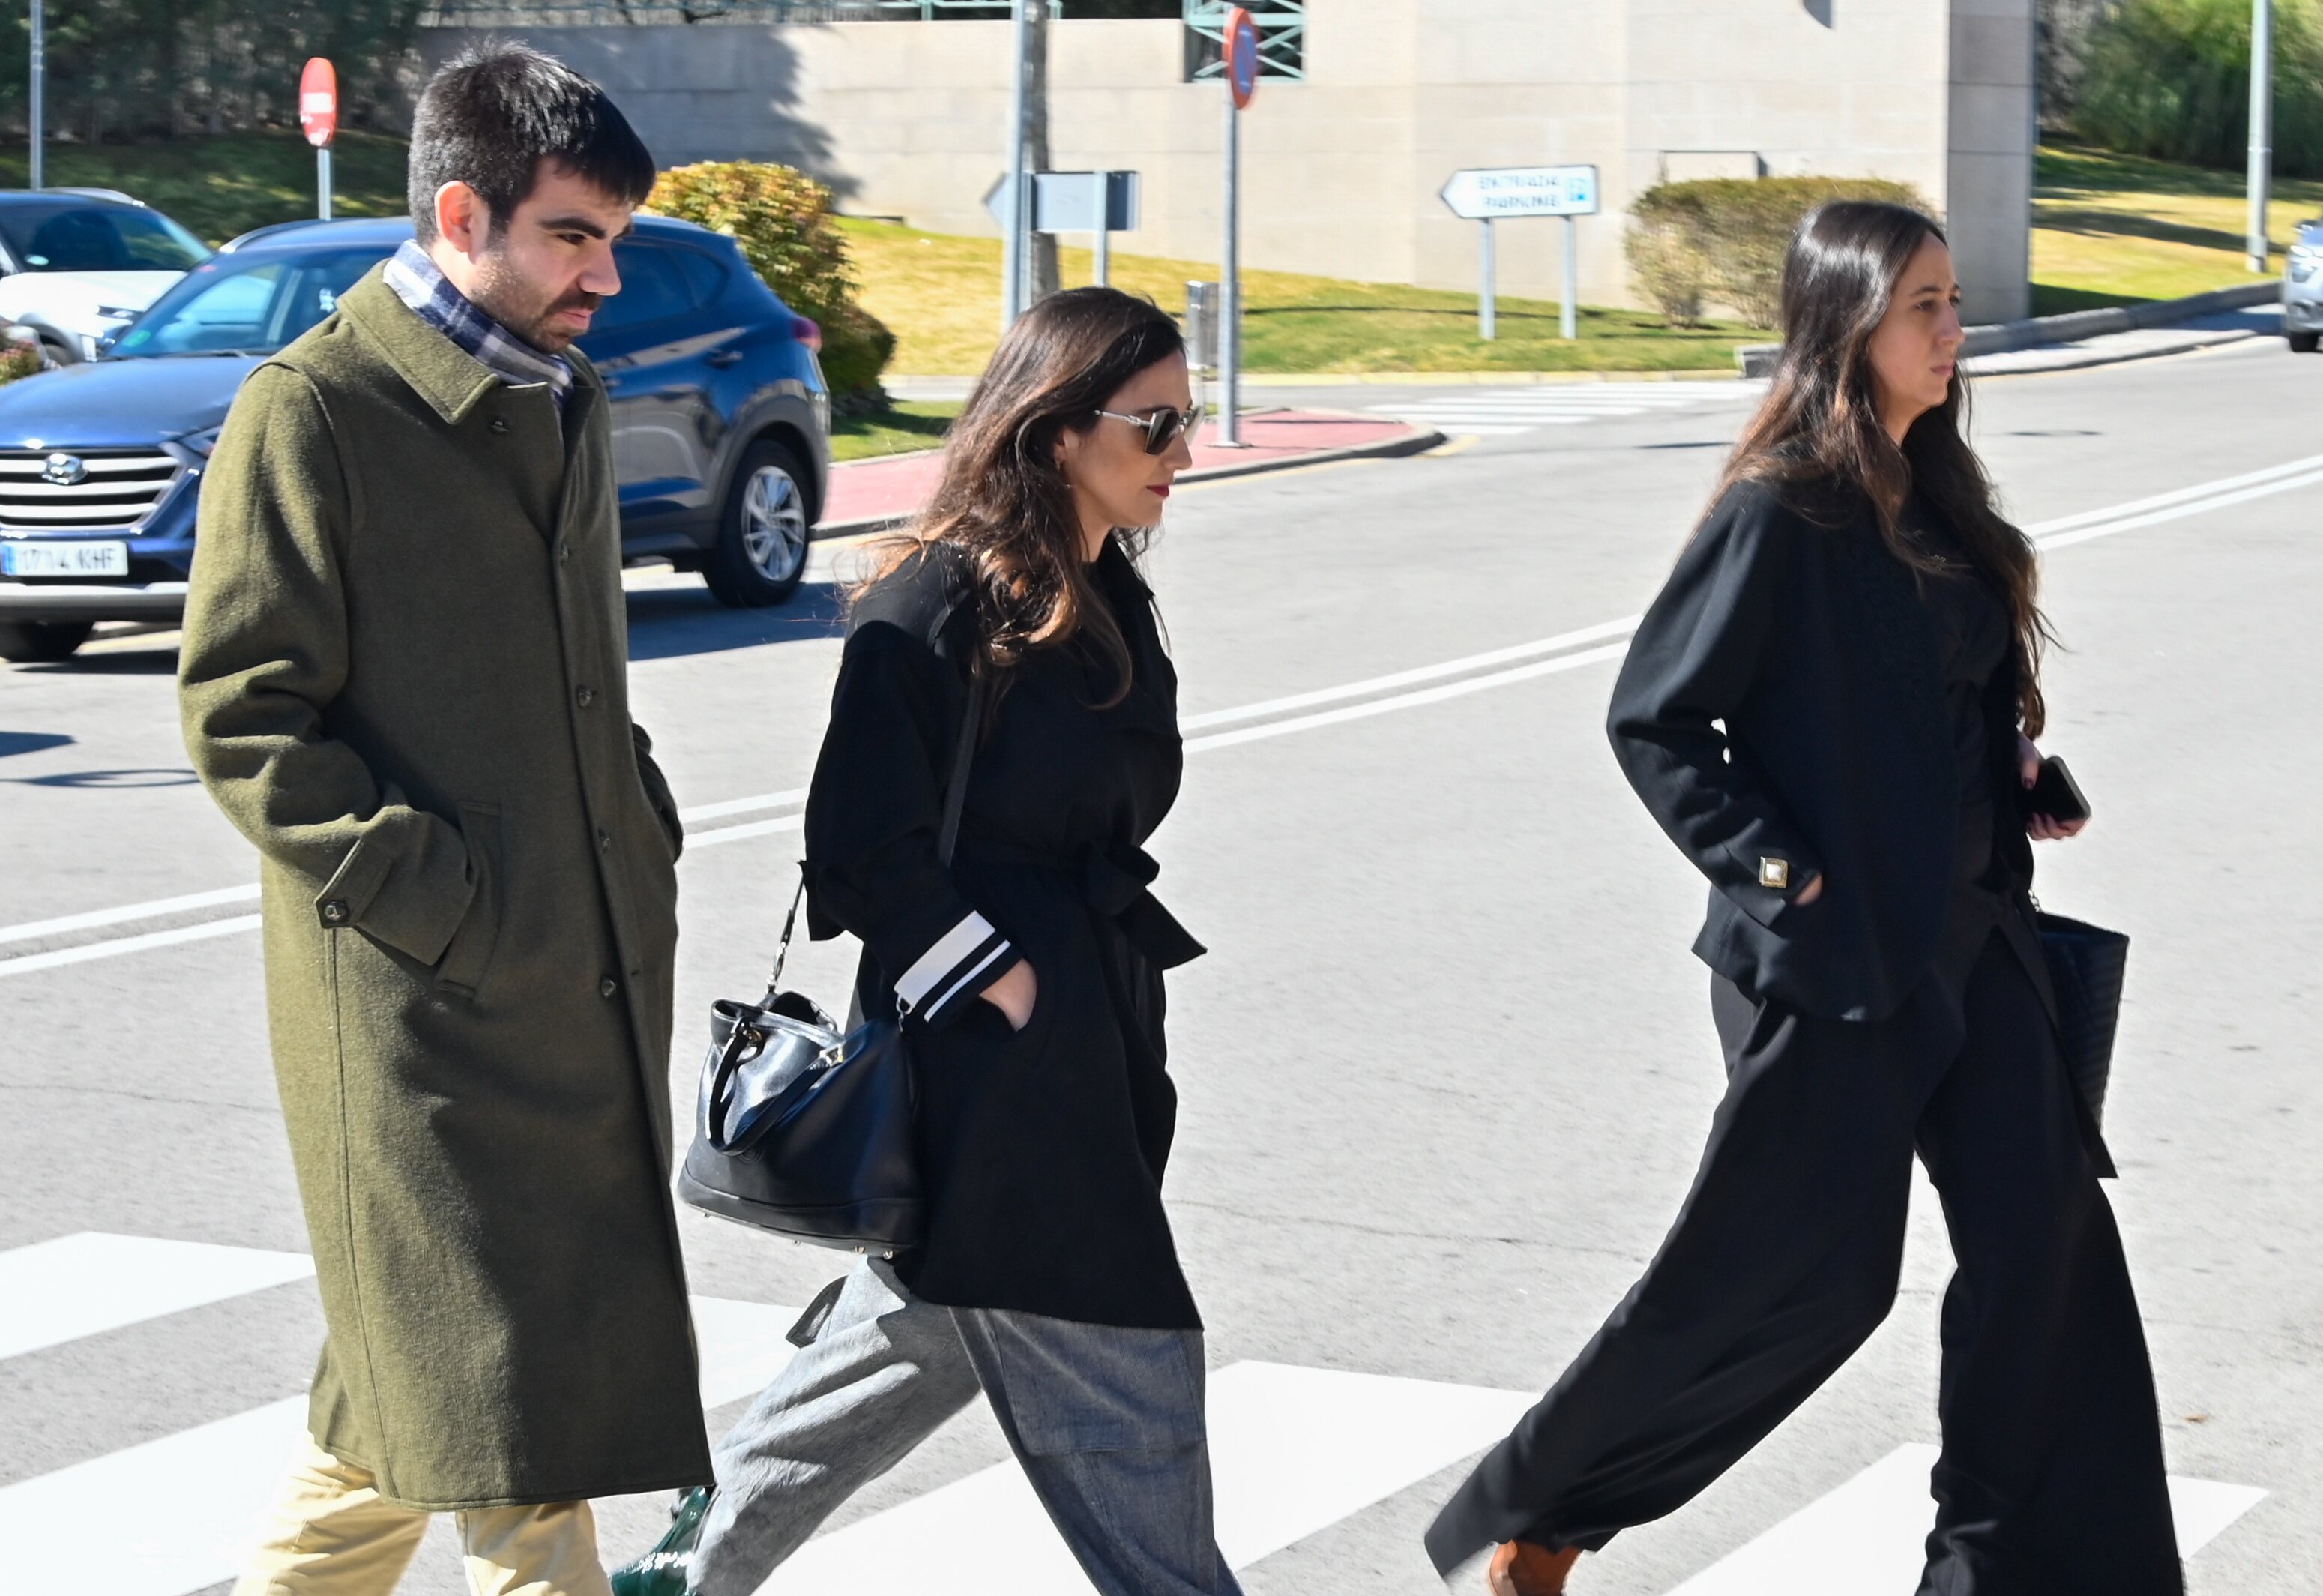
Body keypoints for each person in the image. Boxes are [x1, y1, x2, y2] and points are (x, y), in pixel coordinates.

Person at [1423, 202, 2184, 1596]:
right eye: (1926, 309)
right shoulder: (1782, 508)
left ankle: (2009, 1573)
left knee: (2046, 1243)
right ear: (1849, 326)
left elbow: (1938, 704)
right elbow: (1657, 719)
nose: (1957, 331)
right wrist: (1784, 872)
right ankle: (1545, 1510)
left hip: (1978, 938)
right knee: (1804, 1279)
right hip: (1835, 960)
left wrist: (2021, 767)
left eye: (1955, 302)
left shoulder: (1938, 495)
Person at [178, 43, 708, 1596]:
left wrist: (632, 831)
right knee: (518, 1439)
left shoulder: (561, 391)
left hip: (573, 983)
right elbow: (241, 712)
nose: (605, 275)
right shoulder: (316, 411)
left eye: (614, 238)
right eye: (573, 236)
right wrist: (446, 901)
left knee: (395, 1418)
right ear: (461, 212)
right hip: (426, 1028)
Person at [612, 288, 1233, 1596]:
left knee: (931, 1323)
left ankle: (692, 1556)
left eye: (1191, 419)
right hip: (993, 1066)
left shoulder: (1100, 590)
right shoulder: (935, 602)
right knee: (1130, 1363)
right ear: (1061, 429)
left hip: (1083, 1027)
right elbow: (856, 845)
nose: (1187, 450)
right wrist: (1003, 987)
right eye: (1159, 423)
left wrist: (1071, 998)